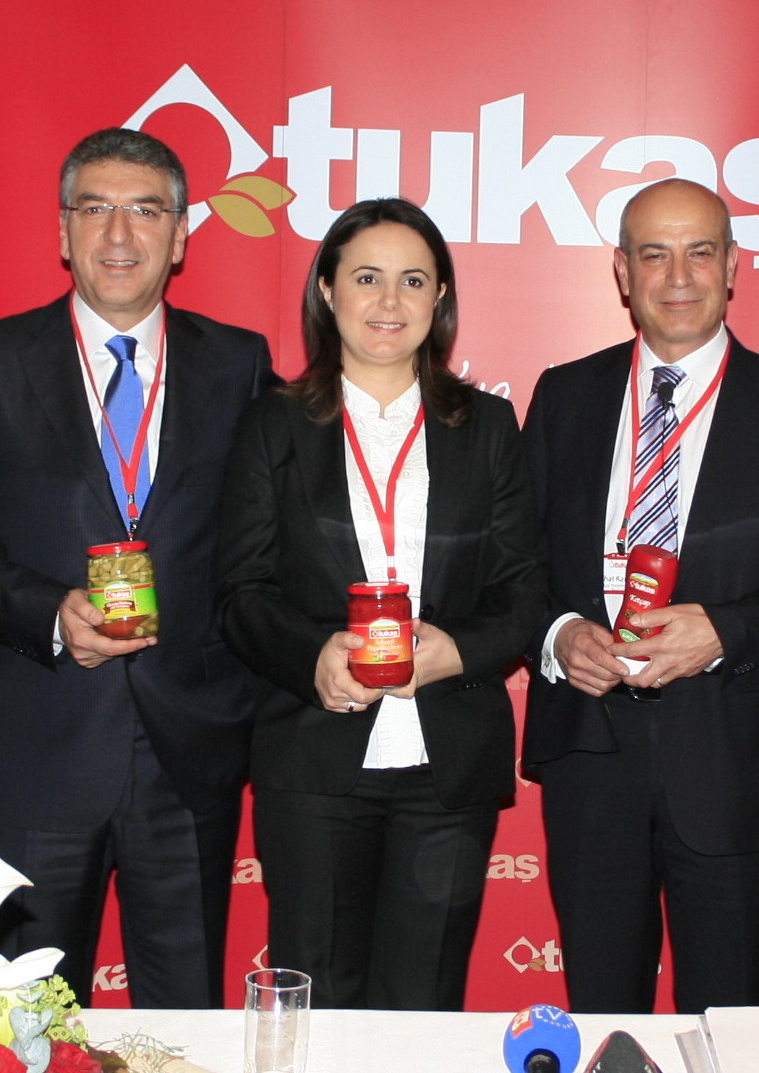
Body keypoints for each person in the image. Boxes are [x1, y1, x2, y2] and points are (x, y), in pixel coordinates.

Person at [0, 128, 278, 1008]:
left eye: (144, 211)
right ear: (62, 231)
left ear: (179, 235)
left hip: (188, 746)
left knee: (184, 1022)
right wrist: (47, 611)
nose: (119, 234)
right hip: (41, 743)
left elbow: (263, 547)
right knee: (24, 1022)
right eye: (95, 209)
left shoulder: (238, 363)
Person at [520, 178, 759, 1014]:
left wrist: (723, 631)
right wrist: (559, 634)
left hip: (729, 760)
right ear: (621, 273)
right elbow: (513, 562)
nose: (678, 276)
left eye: (700, 252)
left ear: (733, 266)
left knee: (728, 1022)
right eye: (654, 254)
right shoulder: (564, 395)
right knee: (602, 1014)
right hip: (591, 753)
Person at [218, 199, 549, 1010]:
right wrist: (312, 657)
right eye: (366, 278)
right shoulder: (272, 424)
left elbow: (525, 588)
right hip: (314, 761)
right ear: (326, 290)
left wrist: (456, 651)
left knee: (422, 1007)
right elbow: (239, 591)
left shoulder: (487, 426)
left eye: (413, 281)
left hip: (447, 764)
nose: (389, 302)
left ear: (440, 298)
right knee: (318, 997)